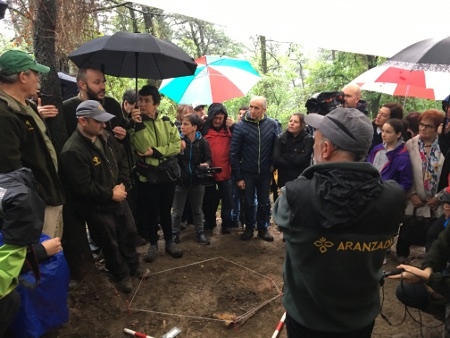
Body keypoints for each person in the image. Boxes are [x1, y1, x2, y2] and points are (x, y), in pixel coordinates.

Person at [273, 107, 406, 338]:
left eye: (316, 142)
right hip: (359, 318)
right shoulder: (393, 198)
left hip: (306, 317)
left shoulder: (294, 196)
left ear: (326, 149)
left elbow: (282, 222)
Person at [59, 100, 145, 294]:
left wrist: (123, 184)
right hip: (98, 207)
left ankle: (134, 265)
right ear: (82, 121)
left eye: (104, 120)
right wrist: (110, 194)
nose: (104, 125)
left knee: (129, 232)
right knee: (109, 243)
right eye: (98, 121)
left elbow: (122, 157)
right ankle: (120, 274)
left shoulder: (105, 136)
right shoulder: (72, 150)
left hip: (119, 197)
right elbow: (82, 187)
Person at [0, 49, 65, 239]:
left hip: (49, 194)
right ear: (22, 76)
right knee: (41, 260)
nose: (38, 79)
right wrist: (38, 195)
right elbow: (10, 170)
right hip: (35, 204)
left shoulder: (28, 107)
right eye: (35, 73)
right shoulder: (4, 115)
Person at [129, 84, 183, 262]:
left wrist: (156, 152)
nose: (142, 104)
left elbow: (176, 145)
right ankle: (153, 244)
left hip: (167, 175)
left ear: (156, 104)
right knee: (150, 211)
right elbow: (142, 147)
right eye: (140, 100)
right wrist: (137, 125)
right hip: (148, 176)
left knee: (165, 210)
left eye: (147, 101)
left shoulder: (167, 122)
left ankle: (169, 242)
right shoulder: (136, 125)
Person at [396, 109, 445, 263]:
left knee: (433, 231)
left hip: (437, 198)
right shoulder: (410, 144)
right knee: (409, 225)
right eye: (421, 125)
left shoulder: (444, 147)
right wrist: (411, 194)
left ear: (437, 128)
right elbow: (403, 171)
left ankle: (429, 261)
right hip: (414, 195)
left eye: (428, 126)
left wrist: (439, 197)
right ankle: (401, 255)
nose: (423, 128)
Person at [230, 96, 281, 241]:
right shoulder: (241, 126)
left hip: (265, 172)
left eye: (256, 108)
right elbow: (234, 153)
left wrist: (273, 166)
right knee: (249, 202)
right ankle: (249, 228)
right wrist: (238, 177)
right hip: (247, 172)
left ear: (264, 110)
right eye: (251, 106)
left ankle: (263, 228)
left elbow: (276, 148)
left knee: (264, 202)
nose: (252, 110)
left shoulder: (272, 125)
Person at [172, 113, 212, 245]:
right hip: (180, 181)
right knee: (177, 211)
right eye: (182, 123)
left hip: (197, 180)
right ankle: (174, 234)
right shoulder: (177, 140)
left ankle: (200, 232)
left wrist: (206, 165)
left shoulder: (202, 141)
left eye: (185, 124)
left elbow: (208, 158)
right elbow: (172, 159)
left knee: (197, 209)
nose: (182, 126)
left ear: (194, 127)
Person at [63, 67, 127, 142]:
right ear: (82, 85)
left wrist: (124, 136)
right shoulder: (66, 109)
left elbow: (124, 129)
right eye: (97, 82)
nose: (103, 87)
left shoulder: (112, 104)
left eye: (103, 82)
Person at [202, 103, 234, 234]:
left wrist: (234, 125)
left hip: (226, 171)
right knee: (209, 200)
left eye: (221, 118)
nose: (218, 121)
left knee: (227, 200)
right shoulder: (203, 129)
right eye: (215, 118)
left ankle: (226, 224)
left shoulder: (229, 130)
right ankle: (209, 223)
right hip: (208, 172)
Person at [367, 118, 413, 192]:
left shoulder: (402, 157)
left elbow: (405, 183)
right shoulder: (377, 149)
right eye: (383, 131)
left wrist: (391, 193)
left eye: (388, 132)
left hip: (387, 194)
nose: (384, 134)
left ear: (398, 134)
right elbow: (368, 167)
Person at [273, 113, 313, 188]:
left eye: (296, 122)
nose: (292, 123)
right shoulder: (280, 138)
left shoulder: (308, 139)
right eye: (290, 121)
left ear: (302, 125)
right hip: (284, 178)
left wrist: (286, 156)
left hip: (301, 178)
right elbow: (276, 158)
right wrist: (295, 157)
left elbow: (304, 158)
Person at [230, 106, 249, 227]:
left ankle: (249, 220)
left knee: (250, 197)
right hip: (234, 167)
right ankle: (234, 219)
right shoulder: (232, 128)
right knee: (234, 196)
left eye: (244, 113)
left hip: (247, 168)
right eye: (239, 113)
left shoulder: (247, 128)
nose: (241, 115)